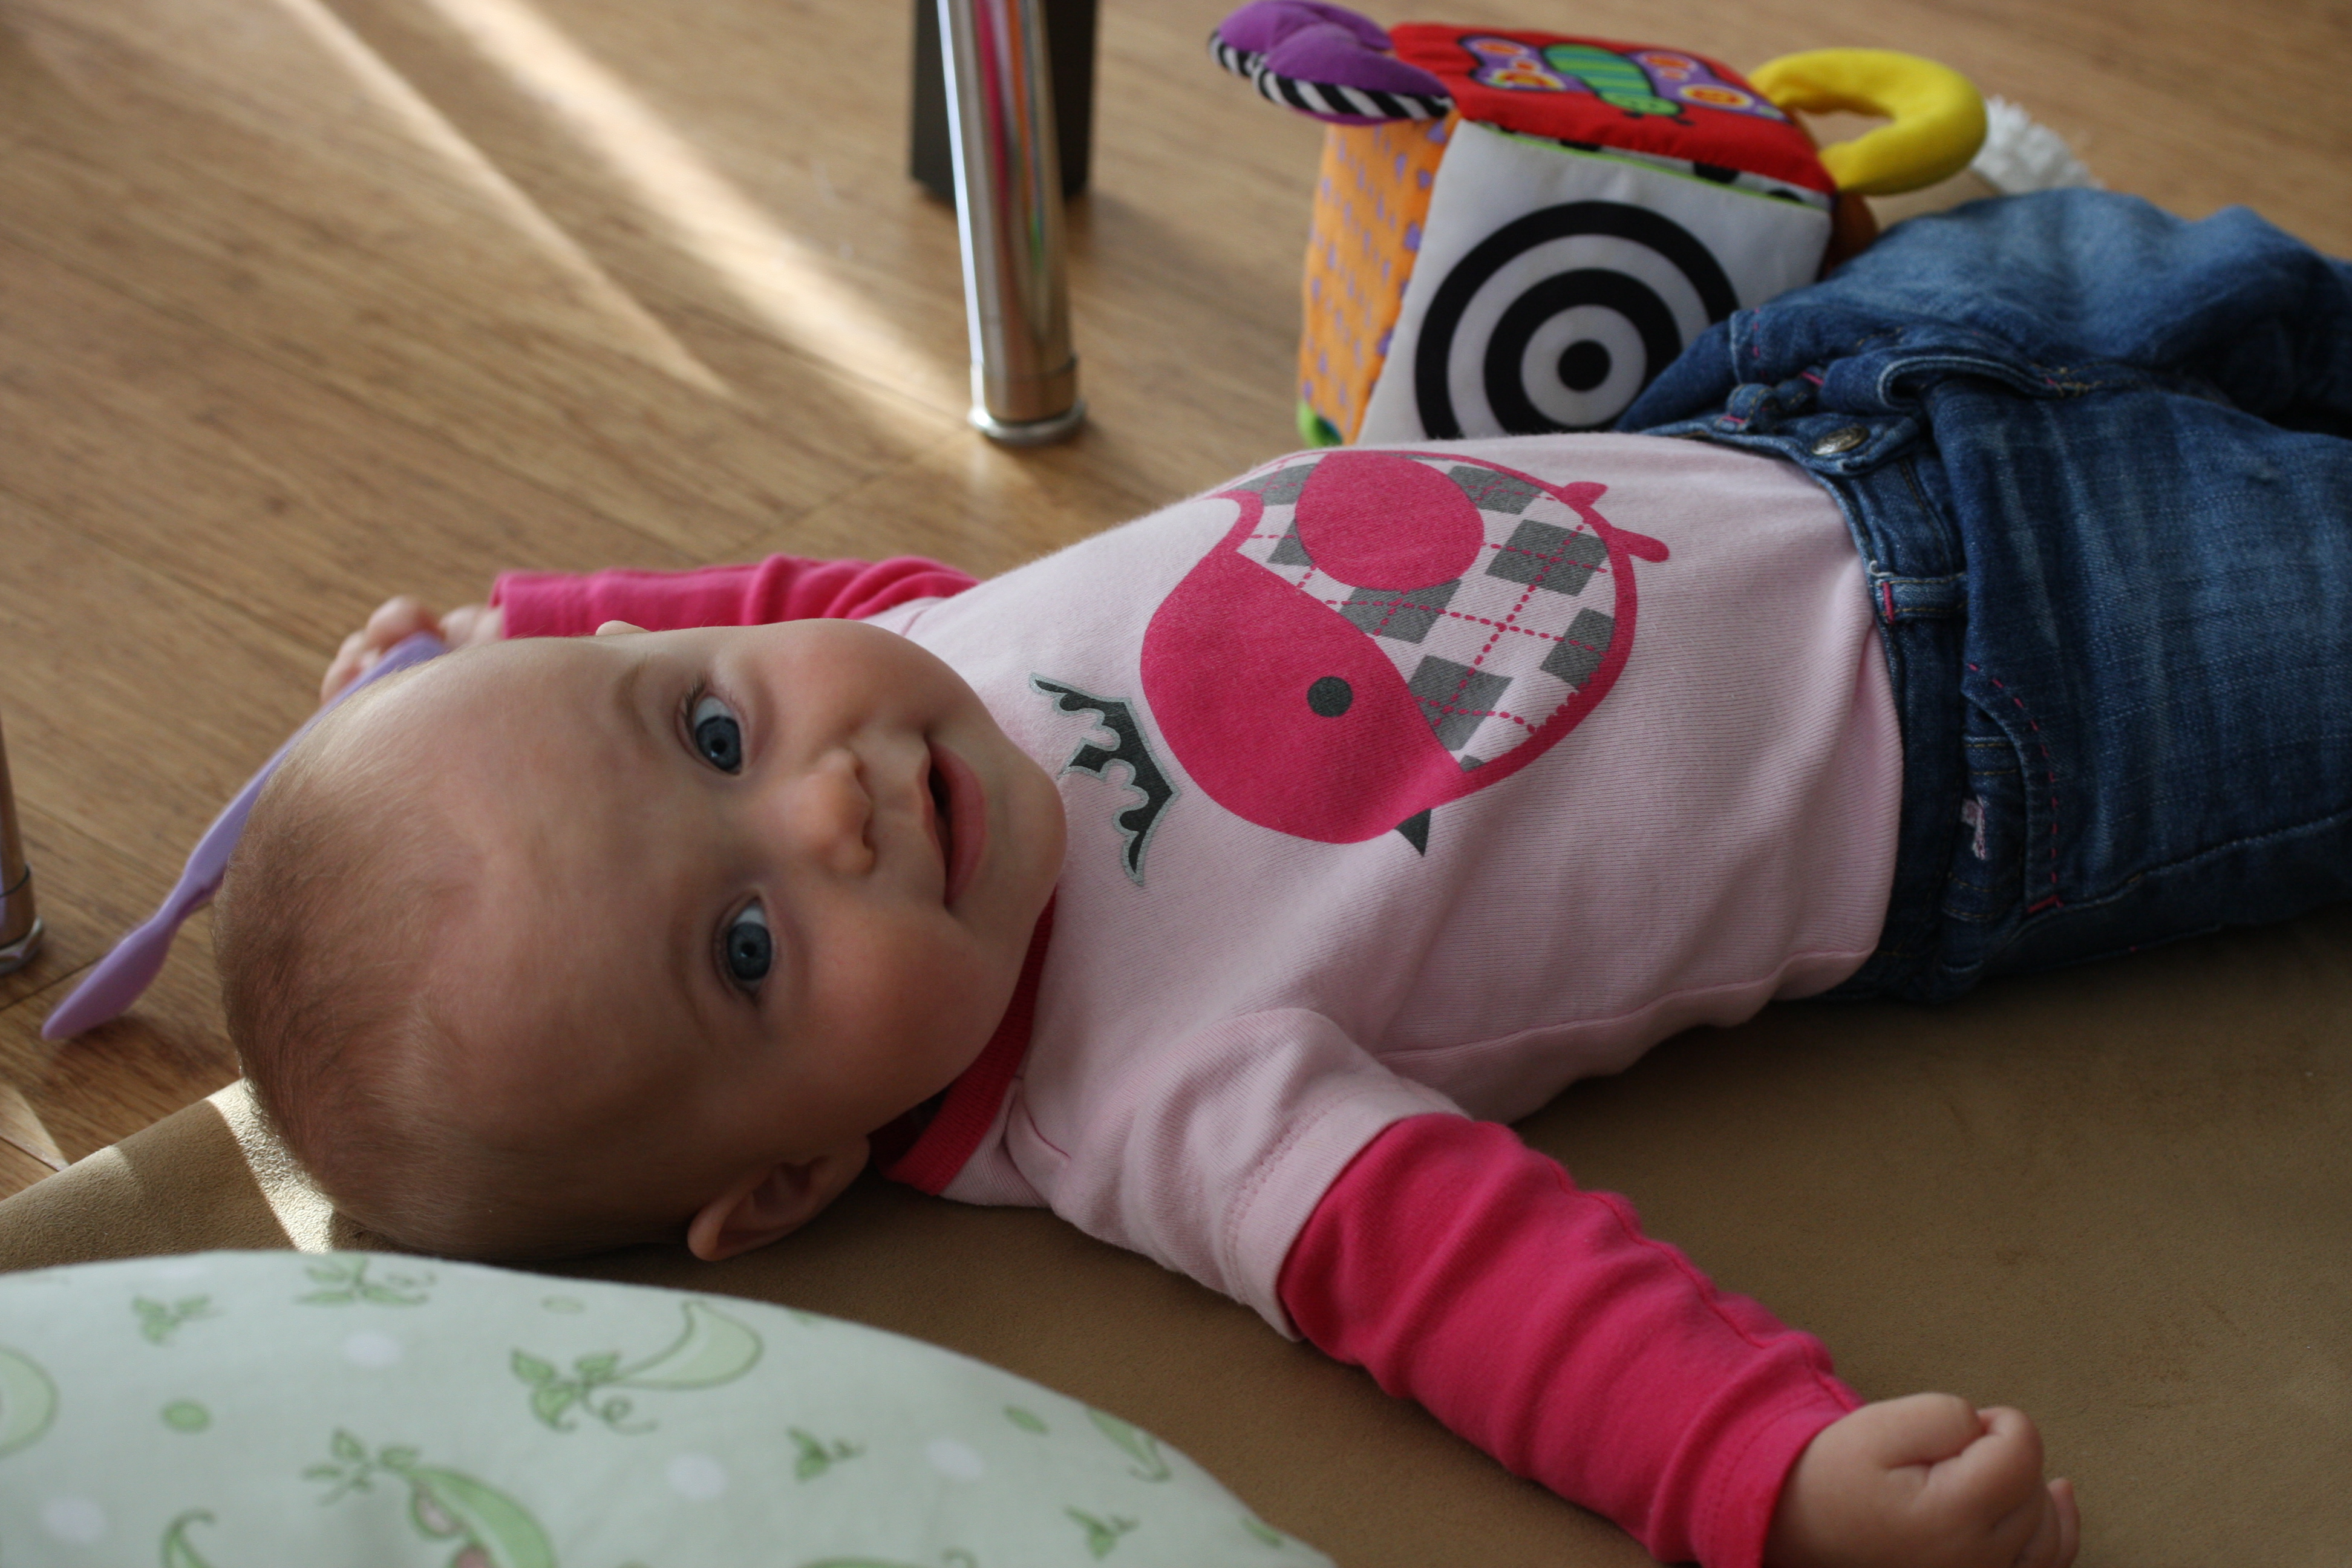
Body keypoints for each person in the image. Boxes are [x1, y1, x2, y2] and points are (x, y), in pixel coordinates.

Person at [215, 190, 2352, 1568]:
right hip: (2037, 697)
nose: (823, 808)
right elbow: (1472, 1290)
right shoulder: (1149, 1096)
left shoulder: (903, 669)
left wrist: (508, 629)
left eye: (703, 735)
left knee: (2239, 283)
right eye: (749, 948)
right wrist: (1760, 1473)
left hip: (1804, 409)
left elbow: (775, 606)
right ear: (782, 1182)